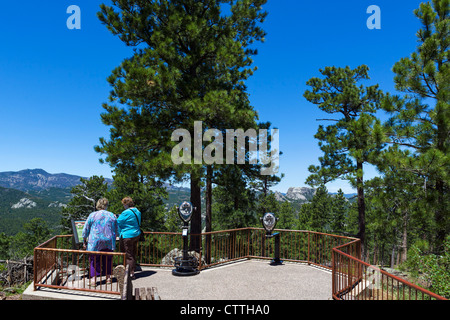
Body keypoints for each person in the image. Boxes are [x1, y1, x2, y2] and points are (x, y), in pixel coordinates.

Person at [82, 198, 118, 286]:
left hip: (95, 240)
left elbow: (86, 228)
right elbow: (116, 229)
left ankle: (94, 280)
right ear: (106, 205)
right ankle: (108, 278)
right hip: (108, 240)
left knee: (94, 260)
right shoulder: (112, 215)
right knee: (108, 259)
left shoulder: (92, 215)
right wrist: (115, 237)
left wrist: (84, 240)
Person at [117, 197, 142, 279]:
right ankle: (132, 269)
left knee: (128, 254)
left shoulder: (126, 212)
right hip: (136, 234)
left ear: (126, 204)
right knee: (133, 253)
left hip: (127, 235)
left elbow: (118, 222)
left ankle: (130, 273)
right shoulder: (137, 211)